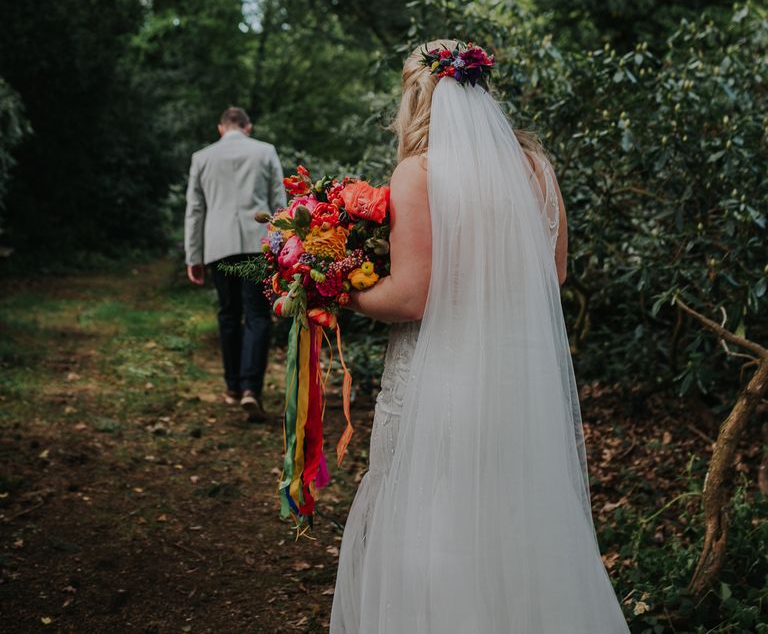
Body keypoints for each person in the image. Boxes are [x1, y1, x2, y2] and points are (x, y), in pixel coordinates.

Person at [330, 42, 630, 633]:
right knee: (516, 513)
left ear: (418, 96)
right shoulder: (537, 168)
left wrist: (343, 294)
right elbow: (556, 272)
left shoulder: (418, 173)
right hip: (520, 375)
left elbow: (410, 296)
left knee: (434, 516)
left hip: (442, 378)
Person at [184, 106, 286, 420]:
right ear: (247, 127)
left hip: (218, 246)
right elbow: (279, 204)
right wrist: (283, 251)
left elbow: (195, 210)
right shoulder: (265, 151)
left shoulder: (202, 157)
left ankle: (231, 386)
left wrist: (194, 255)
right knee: (257, 315)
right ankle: (249, 389)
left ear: (221, 128)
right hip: (258, 246)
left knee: (228, 314)